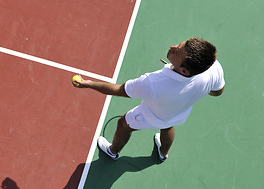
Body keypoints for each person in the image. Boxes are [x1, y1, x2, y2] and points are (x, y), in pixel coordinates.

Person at [72, 37, 225, 162]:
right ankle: (163, 154)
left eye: (176, 51)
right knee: (167, 126)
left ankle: (112, 151)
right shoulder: (212, 67)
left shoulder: (153, 83)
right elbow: (217, 92)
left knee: (123, 124)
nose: (172, 46)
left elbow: (120, 90)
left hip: (151, 116)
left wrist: (89, 84)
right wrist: (196, 90)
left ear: (184, 70)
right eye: (179, 44)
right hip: (178, 114)